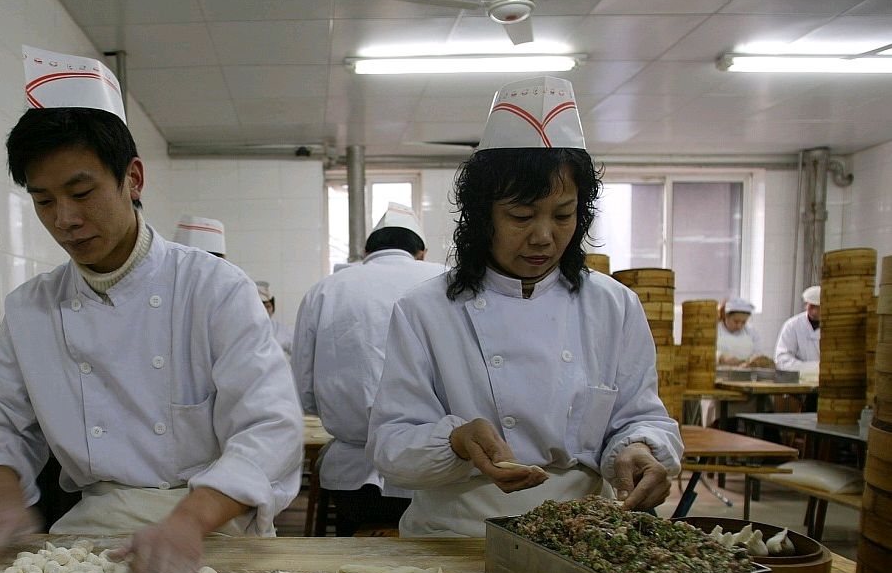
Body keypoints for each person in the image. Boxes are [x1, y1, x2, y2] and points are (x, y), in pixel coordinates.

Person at [0, 47, 303, 573]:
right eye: (44, 201)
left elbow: (270, 427)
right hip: (91, 532)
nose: (65, 220)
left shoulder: (214, 288)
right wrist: (2, 502)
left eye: (82, 193)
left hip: (215, 528)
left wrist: (188, 521)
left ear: (133, 179)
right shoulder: (30, 309)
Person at [367, 76, 683, 537]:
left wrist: (638, 449)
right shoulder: (426, 310)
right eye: (520, 216)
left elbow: (639, 416)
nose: (543, 236)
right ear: (482, 216)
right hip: (459, 532)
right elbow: (391, 445)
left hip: (581, 533)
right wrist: (457, 441)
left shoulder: (613, 306)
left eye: (563, 215)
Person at [292, 203, 445, 534]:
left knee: (354, 553)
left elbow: (303, 390)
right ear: (421, 253)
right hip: (436, 468)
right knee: (433, 553)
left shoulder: (325, 289)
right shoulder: (445, 280)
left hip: (353, 474)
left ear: (366, 252)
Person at [774, 285, 821, 372]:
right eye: (811, 306)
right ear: (806, 305)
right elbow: (782, 358)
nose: (815, 311)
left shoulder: (836, 326)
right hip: (799, 376)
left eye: (818, 307)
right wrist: (810, 367)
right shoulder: (792, 325)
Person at [717, 297, 763, 366]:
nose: (739, 326)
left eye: (743, 322)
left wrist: (750, 362)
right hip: (719, 371)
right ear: (726, 316)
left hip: (745, 371)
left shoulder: (751, 331)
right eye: (736, 321)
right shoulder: (715, 330)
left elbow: (758, 353)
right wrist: (721, 358)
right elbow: (705, 351)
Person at [256, 281, 294, 358]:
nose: (265, 310)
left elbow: (298, 351)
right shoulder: (243, 331)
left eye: (268, 306)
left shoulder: (281, 330)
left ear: (273, 308)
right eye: (261, 306)